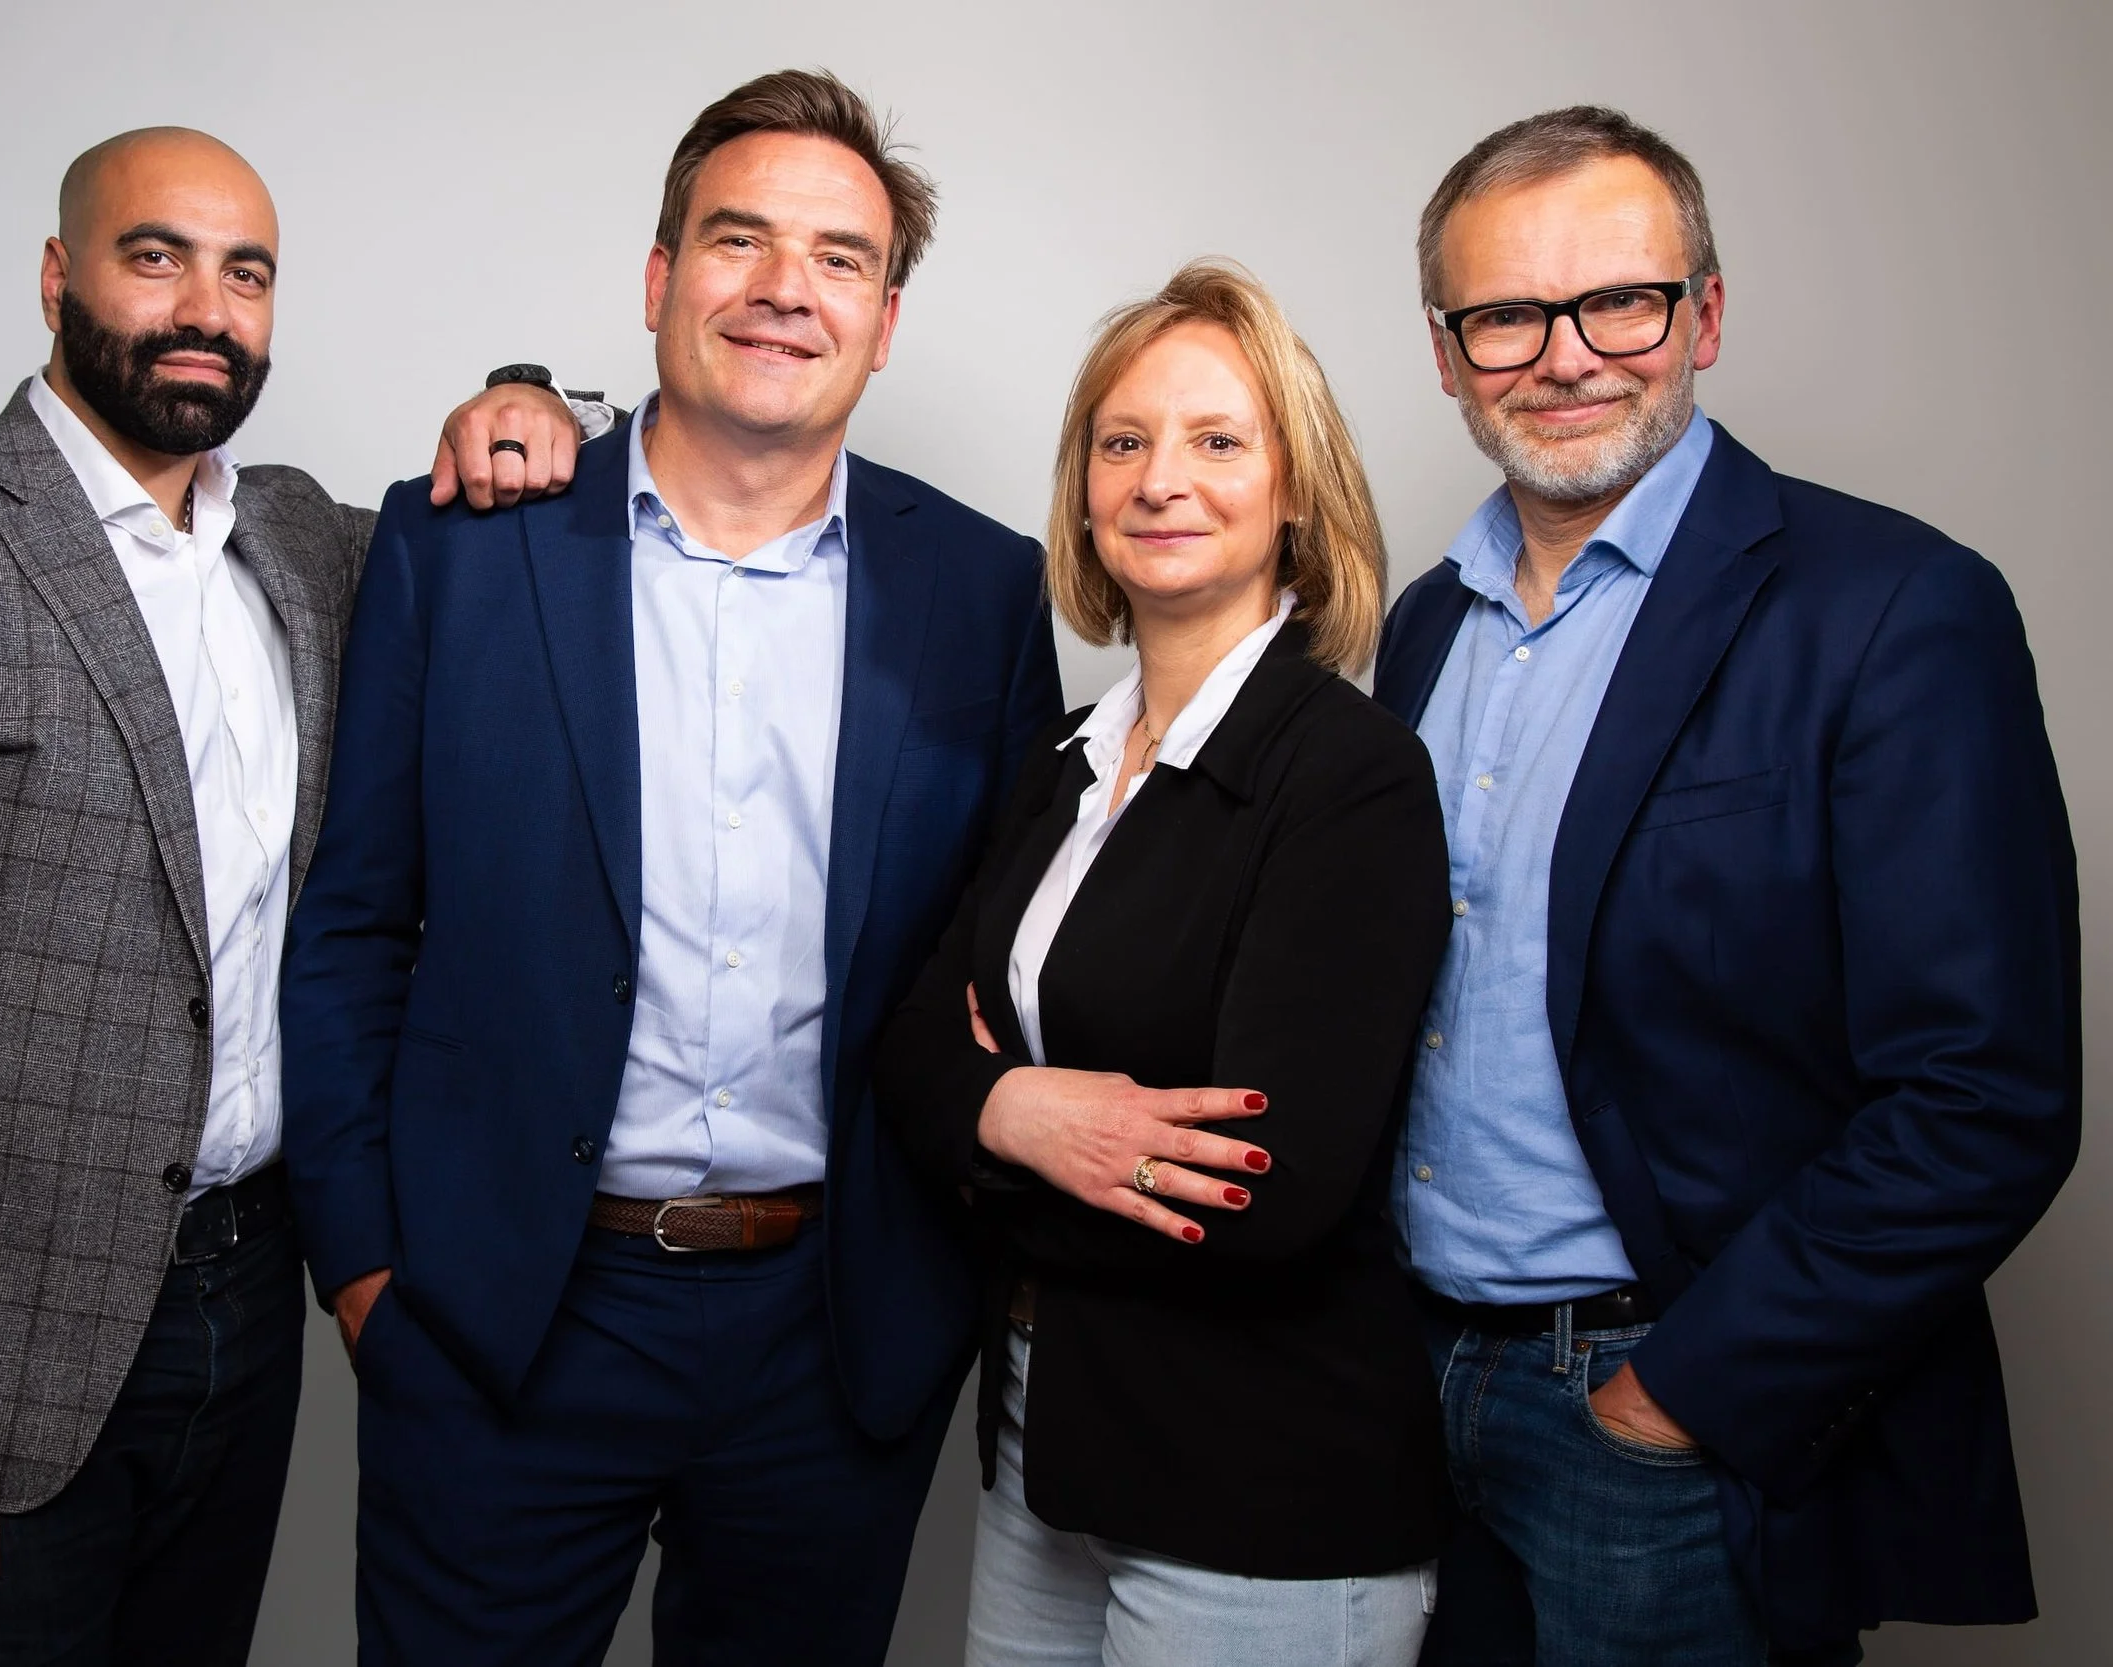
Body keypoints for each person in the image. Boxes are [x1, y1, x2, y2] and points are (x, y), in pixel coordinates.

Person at [0, 124, 600, 1663]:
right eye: (158, 258)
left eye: (247, 273)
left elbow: (496, 500)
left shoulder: (304, 543)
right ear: (58, 276)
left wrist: (532, 391)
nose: (206, 307)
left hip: (240, 1308)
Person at [278, 69, 1062, 1666]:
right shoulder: (461, 545)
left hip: (833, 1330)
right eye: (740, 241)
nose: (786, 289)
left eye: (840, 258)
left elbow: (1001, 957)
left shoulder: (982, 590)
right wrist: (365, 1268)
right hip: (505, 1315)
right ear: (657, 283)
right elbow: (355, 923)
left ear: (886, 320)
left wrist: (956, 1291)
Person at [1371, 107, 2081, 1666]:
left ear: (1702, 312)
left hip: (1665, 1406)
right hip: (1413, 1388)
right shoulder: (1422, 626)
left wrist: (1678, 1394)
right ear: (1446, 352)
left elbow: (1987, 1092)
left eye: (1618, 299)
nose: (1565, 356)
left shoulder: (1896, 608)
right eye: (1505, 315)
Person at [875, 260, 1454, 1666]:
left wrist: (979, 1128)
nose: (1160, 478)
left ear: (1295, 489)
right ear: (1083, 487)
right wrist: (1018, 1112)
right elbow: (907, 1043)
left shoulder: (1350, 778)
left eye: (1217, 440)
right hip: (1043, 1451)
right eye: (1122, 441)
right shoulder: (1064, 759)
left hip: (1258, 1486)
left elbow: (1267, 1191)